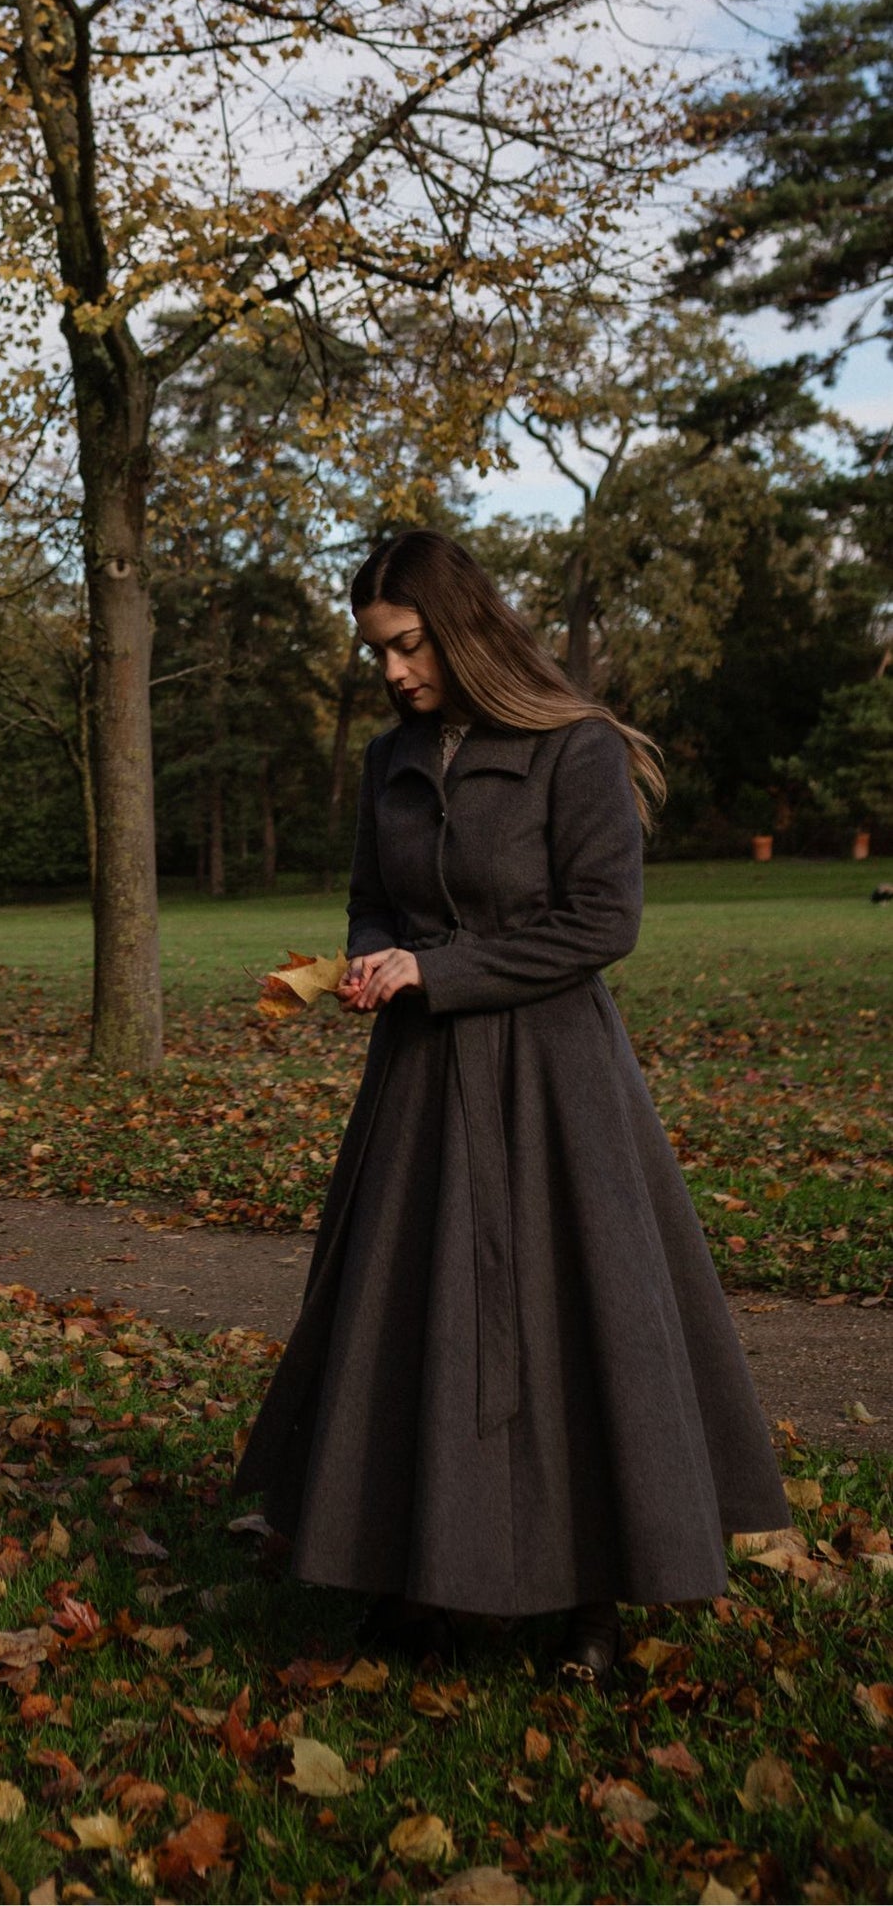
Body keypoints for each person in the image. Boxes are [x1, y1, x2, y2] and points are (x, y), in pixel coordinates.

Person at [233, 529, 789, 1682]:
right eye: (376, 653)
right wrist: (372, 955)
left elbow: (600, 922)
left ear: (462, 626)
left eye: (406, 644)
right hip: (419, 1083)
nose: (392, 671)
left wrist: (440, 969)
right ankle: (410, 1581)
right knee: (408, 1314)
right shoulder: (388, 760)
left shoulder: (571, 746)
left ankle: (589, 1603)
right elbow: (369, 899)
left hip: (554, 1082)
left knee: (573, 1319)